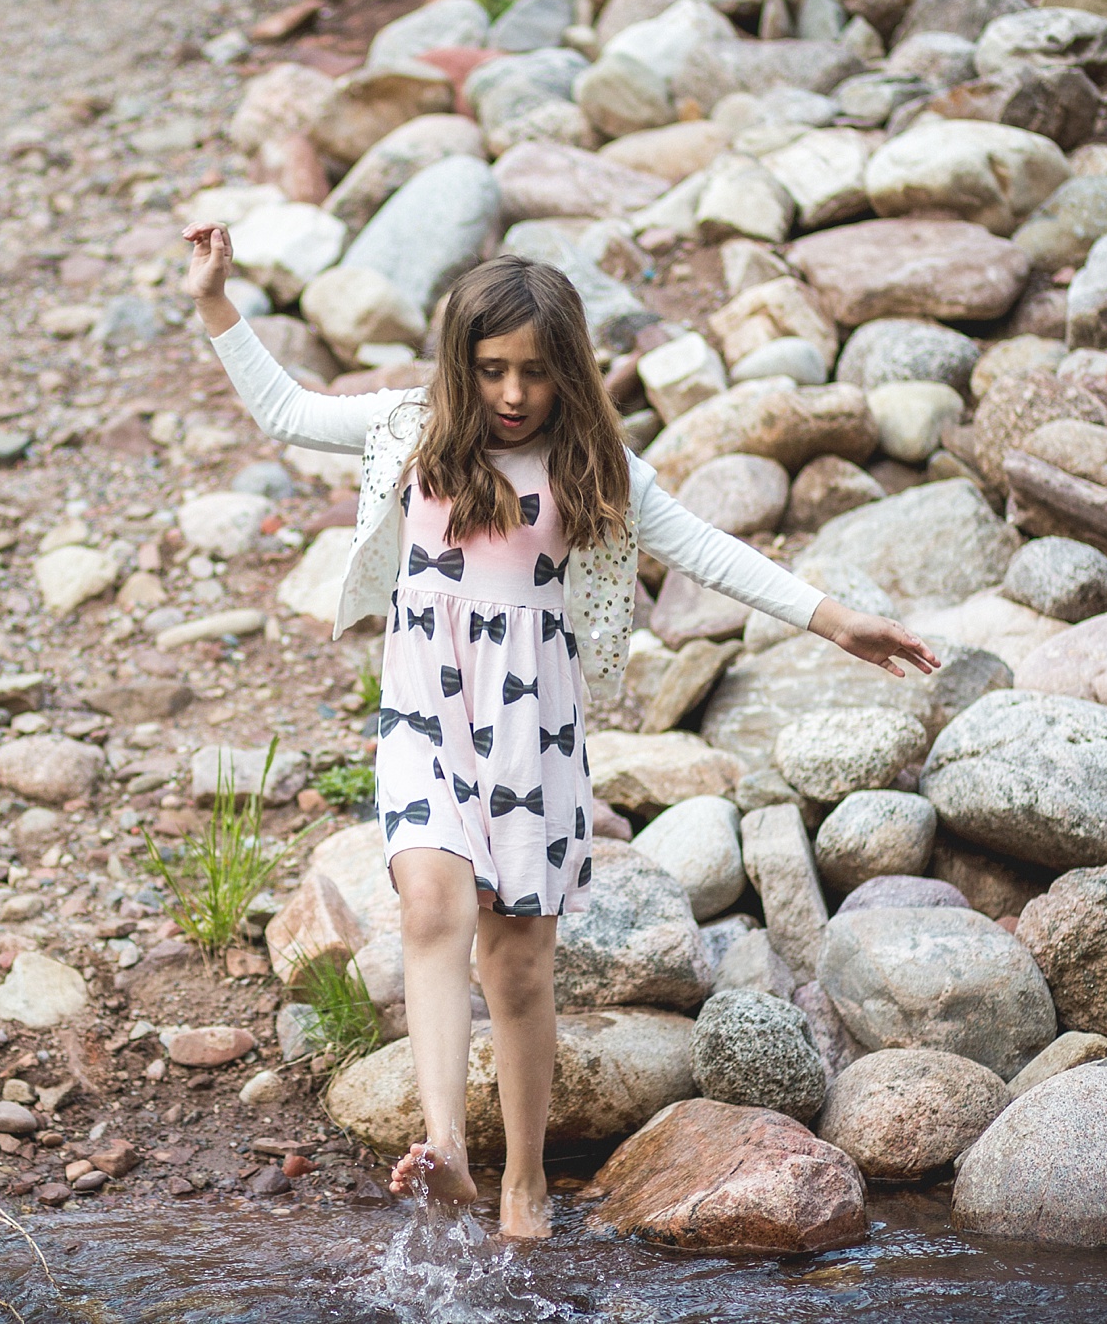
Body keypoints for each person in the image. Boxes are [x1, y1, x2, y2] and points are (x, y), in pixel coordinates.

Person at [181, 223, 937, 1240]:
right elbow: (280, 408)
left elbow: (705, 549)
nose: (508, 393)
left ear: (565, 373)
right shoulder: (406, 430)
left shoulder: (589, 462)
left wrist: (828, 616)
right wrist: (214, 299)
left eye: (532, 373)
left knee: (518, 965)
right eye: (490, 370)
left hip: (530, 738)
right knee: (429, 905)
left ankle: (524, 1179)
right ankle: (445, 1145)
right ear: (462, 364)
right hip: (424, 721)